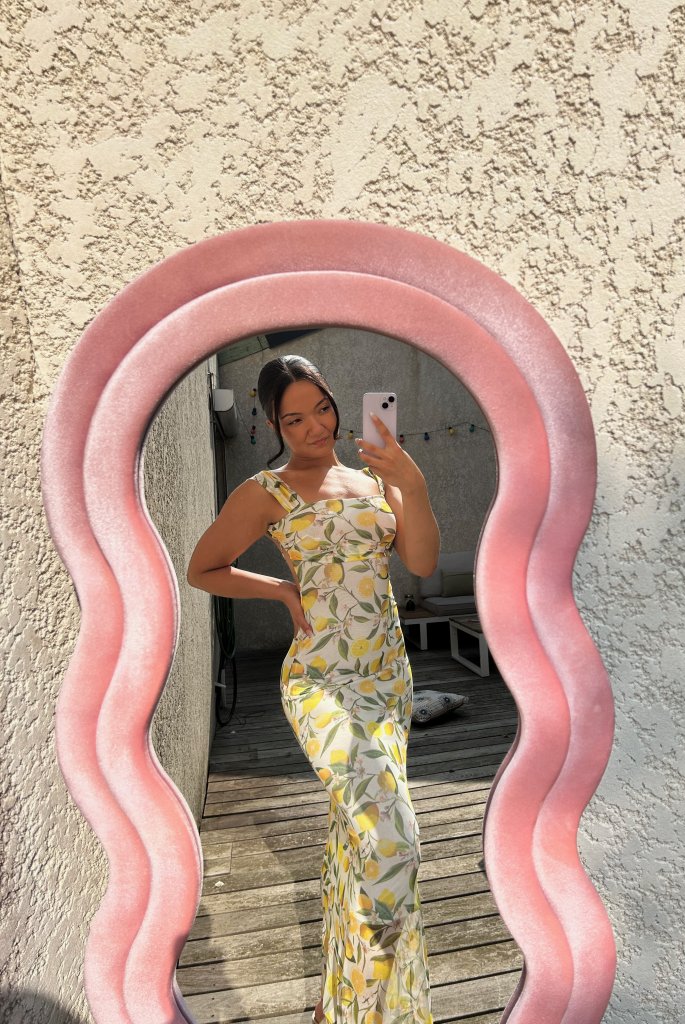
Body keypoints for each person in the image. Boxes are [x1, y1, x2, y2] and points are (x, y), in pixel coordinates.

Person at [187, 354, 440, 1024]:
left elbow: (420, 560)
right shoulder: (265, 491)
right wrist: (279, 588)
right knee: (394, 843)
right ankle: (366, 1007)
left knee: (357, 843)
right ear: (273, 424)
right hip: (320, 681)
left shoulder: (375, 480)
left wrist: (411, 483)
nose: (313, 427)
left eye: (321, 408)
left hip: (386, 678)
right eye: (293, 418)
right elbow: (204, 567)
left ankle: (351, 1007)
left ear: (335, 402)